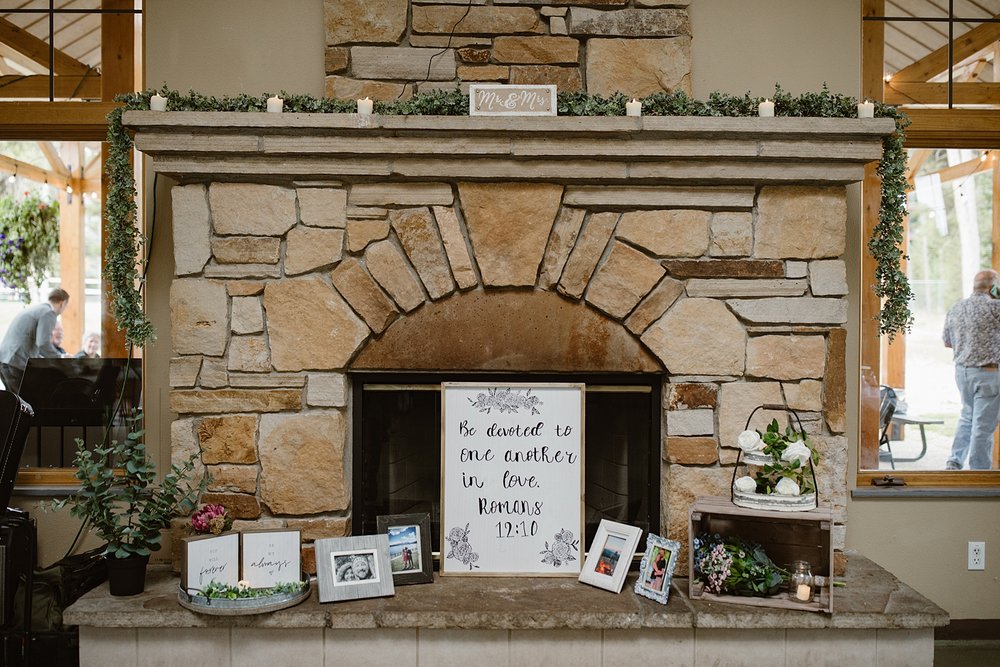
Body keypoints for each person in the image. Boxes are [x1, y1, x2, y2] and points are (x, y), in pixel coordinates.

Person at [943, 269, 1000, 470]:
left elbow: (947, 342)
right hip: (988, 374)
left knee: (967, 416)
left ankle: (954, 461)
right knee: (983, 428)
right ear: (994, 287)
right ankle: (980, 474)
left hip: (962, 373)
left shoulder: (956, 307)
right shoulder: (996, 308)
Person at [0, 288, 70, 393]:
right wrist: (60, 357)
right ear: (62, 303)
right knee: (23, 403)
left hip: (5, 359)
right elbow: (42, 344)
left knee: (11, 401)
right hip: (16, 361)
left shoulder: (37, 309)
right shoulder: (49, 313)